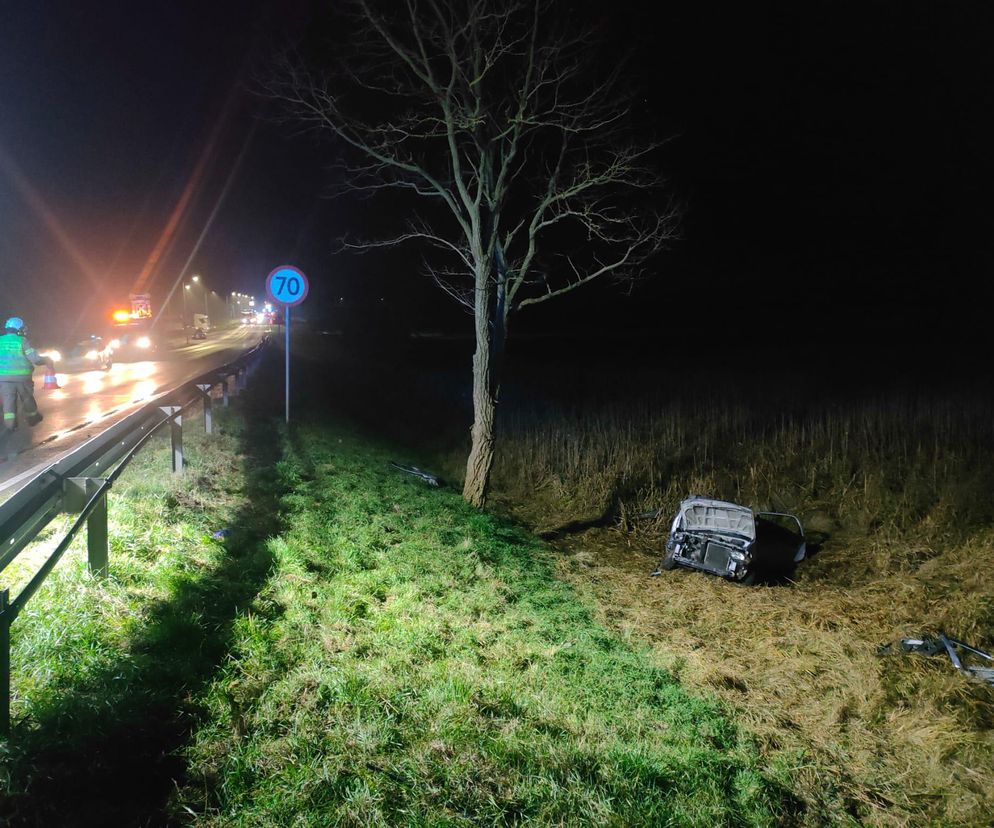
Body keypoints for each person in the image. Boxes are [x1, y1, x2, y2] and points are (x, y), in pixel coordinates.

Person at [0, 317, 55, 433]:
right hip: (22, 377)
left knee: (8, 400)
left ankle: (10, 424)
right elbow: (35, 359)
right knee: (27, 398)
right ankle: (33, 418)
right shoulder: (22, 341)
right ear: (18, 329)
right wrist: (46, 360)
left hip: (3, 378)